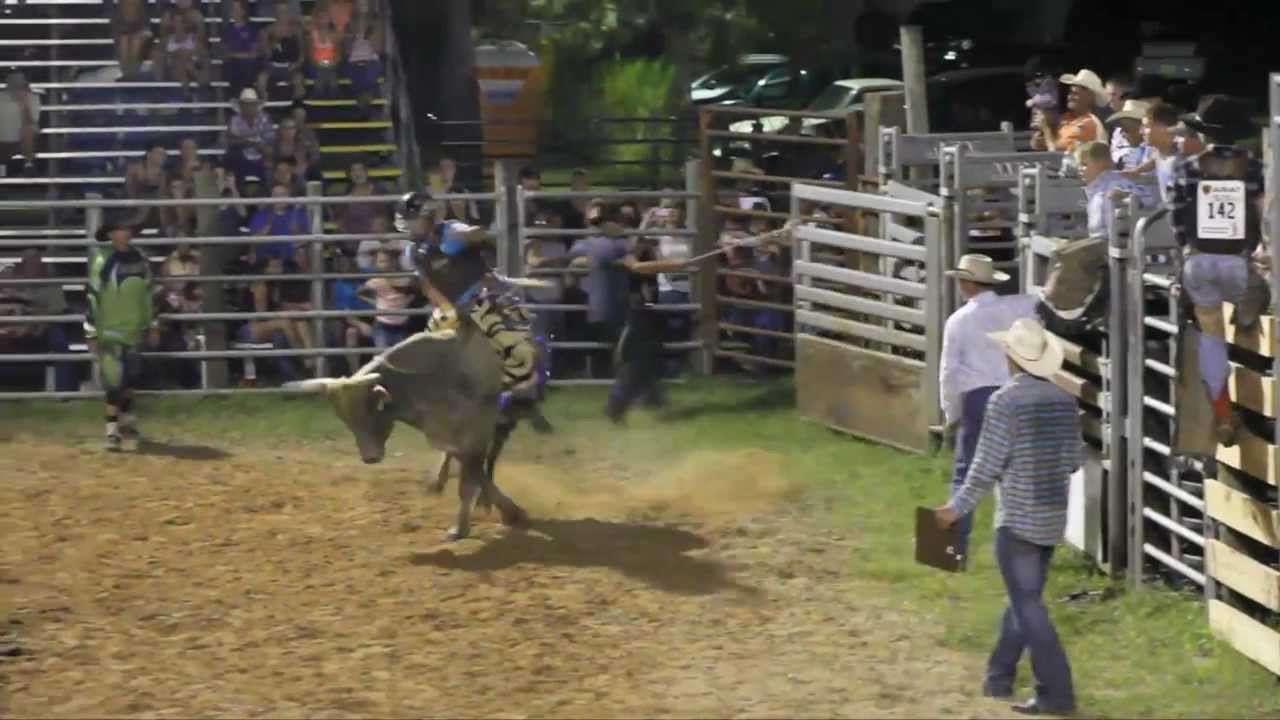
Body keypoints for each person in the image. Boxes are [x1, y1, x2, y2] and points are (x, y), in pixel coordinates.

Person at [935, 318, 1080, 716]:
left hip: (1017, 516)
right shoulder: (1065, 401)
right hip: (1052, 516)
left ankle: (1056, 693)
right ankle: (998, 677)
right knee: (1024, 598)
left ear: (1010, 357)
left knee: (1028, 606)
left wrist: (955, 509)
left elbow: (984, 467)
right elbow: (1073, 461)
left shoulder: (1005, 402)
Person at [396, 190, 546, 420]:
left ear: (427, 217)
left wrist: (472, 232)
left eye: (412, 220)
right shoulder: (413, 252)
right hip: (453, 308)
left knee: (518, 344)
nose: (409, 226)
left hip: (484, 297)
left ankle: (523, 395)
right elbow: (428, 285)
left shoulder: (450, 231)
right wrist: (445, 310)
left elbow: (469, 233)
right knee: (431, 353)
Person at [1170, 95, 1266, 446]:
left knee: (1211, 335)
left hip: (1200, 262)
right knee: (1260, 315)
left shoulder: (1187, 167)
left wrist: (1187, 247)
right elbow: (1262, 212)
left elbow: (1177, 218)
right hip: (1241, 262)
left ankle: (1224, 415)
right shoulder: (1254, 167)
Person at [939, 254, 1039, 559]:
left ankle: (953, 547)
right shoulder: (1020, 306)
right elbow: (1044, 304)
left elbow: (949, 371)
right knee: (1016, 473)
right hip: (1016, 393)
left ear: (967, 283)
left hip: (978, 398)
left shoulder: (958, 320)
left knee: (966, 472)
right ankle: (1022, 549)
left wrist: (951, 413)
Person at [86, 224, 159, 451]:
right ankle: (112, 430)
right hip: (110, 330)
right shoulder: (103, 260)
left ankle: (125, 419)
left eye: (127, 229)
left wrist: (152, 324)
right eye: (119, 229)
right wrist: (91, 331)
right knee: (114, 380)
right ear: (110, 234)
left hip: (134, 329)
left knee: (132, 375)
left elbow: (148, 293)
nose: (124, 233)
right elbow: (93, 295)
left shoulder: (140, 258)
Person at [1076, 140, 1154, 240]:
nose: (1080, 169)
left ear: (1101, 163)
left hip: (1111, 240)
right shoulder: (1094, 186)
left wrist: (1126, 195)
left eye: (1085, 164)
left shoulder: (1115, 182)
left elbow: (1147, 200)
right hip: (1097, 238)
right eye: (1079, 165)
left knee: (1060, 254)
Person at [1034, 69, 1106, 153]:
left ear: (1090, 97)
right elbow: (1040, 145)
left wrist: (1046, 130)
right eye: (1070, 93)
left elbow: (1057, 155)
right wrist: (1039, 138)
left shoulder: (1088, 123)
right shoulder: (1064, 118)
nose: (1070, 97)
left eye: (1075, 94)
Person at [357, 249, 414, 349]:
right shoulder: (376, 281)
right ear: (375, 264)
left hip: (401, 325)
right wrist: (374, 302)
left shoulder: (404, 278)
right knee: (382, 354)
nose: (386, 264)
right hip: (382, 325)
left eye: (389, 260)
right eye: (381, 261)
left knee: (400, 355)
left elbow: (413, 291)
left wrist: (408, 300)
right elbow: (360, 292)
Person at [224, 87, 275, 186]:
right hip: (241, 157)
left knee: (270, 157)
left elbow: (270, 138)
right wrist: (253, 143)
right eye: (245, 104)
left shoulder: (264, 118)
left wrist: (261, 147)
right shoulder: (234, 120)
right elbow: (230, 140)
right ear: (241, 106)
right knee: (233, 156)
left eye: (251, 104)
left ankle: (266, 192)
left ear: (256, 105)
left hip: (261, 156)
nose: (248, 107)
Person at [220, 0, 267, 101]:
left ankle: (248, 99)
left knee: (249, 69)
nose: (233, 11)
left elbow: (253, 54)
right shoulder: (228, 30)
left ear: (243, 11)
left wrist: (235, 54)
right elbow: (225, 54)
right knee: (231, 69)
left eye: (237, 9)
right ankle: (238, 99)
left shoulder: (252, 29)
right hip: (234, 67)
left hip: (250, 66)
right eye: (233, 8)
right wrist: (236, 55)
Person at [0, 72, 39, 176]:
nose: (16, 85)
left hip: (22, 142)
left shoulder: (33, 98)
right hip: (2, 140)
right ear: (7, 82)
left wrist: (24, 104)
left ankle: (28, 166)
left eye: (19, 82)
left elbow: (31, 122)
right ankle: (2, 176)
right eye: (13, 81)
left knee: (28, 130)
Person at [305, 0, 340, 99]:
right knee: (321, 72)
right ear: (317, 19)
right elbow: (311, 54)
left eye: (325, 17)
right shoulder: (313, 35)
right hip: (316, 64)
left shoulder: (334, 35)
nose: (323, 19)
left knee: (330, 73)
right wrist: (317, 62)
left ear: (329, 19)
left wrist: (333, 62)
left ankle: (332, 94)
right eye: (321, 17)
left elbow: (338, 54)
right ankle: (319, 93)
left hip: (331, 64)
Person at [1105, 99, 1151, 172]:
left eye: (1126, 129)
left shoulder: (1155, 152)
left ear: (1141, 127)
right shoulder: (1134, 151)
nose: (1122, 135)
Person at [110, 0, 152, 79]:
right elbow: (116, 25)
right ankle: (127, 76)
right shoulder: (119, 13)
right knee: (124, 41)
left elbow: (146, 26)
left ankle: (132, 77)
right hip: (122, 30)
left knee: (136, 41)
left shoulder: (142, 8)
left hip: (140, 30)